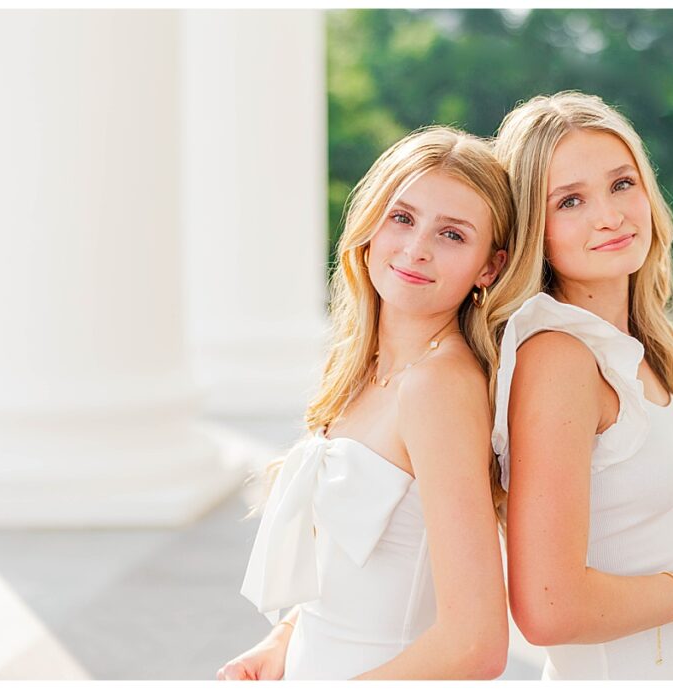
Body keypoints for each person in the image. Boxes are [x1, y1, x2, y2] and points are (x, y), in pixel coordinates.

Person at [217, 125, 528, 680]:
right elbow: (357, 565)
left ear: (490, 266)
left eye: (452, 234)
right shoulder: (365, 367)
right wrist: (284, 641)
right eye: (402, 217)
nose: (416, 248)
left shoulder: (437, 388)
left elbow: (476, 644)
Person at [491, 91, 673, 680]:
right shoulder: (559, 359)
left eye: (622, 184)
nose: (610, 215)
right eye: (570, 200)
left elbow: (623, 535)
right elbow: (548, 610)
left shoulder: (624, 346)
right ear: (532, 229)